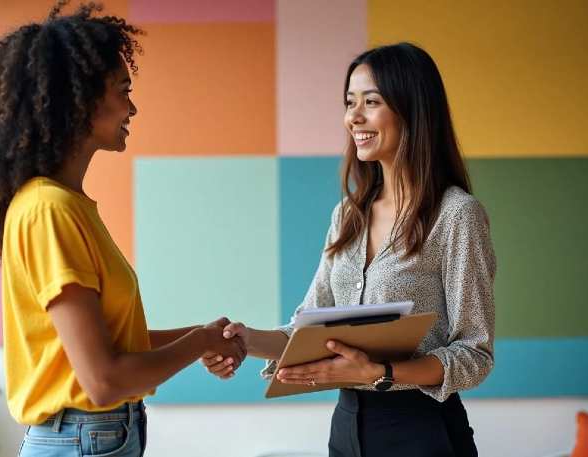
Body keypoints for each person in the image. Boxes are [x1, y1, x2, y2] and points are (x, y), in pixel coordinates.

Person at [0, 2, 244, 456]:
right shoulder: (48, 210)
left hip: (96, 438)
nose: (133, 106)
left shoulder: (66, 205)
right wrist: (199, 343)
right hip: (84, 439)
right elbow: (104, 380)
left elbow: (111, 347)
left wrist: (202, 335)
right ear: (80, 100)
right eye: (123, 90)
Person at [204, 42, 496, 457]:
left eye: (371, 102)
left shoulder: (456, 215)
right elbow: (307, 333)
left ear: (412, 109)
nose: (352, 117)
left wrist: (382, 373)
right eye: (349, 102)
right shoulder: (347, 215)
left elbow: (474, 354)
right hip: (347, 428)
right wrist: (242, 340)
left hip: (421, 429)